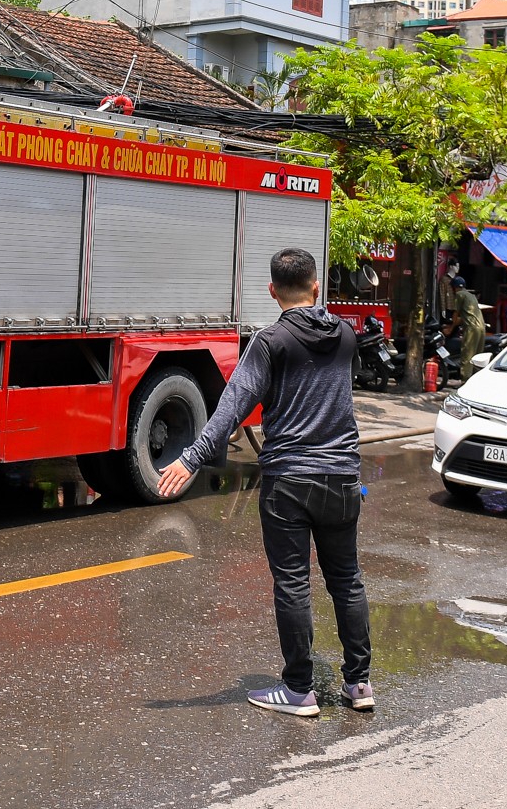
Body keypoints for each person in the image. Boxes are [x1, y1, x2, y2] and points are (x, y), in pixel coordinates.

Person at [157, 248, 371, 718]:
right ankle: (359, 683)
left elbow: (234, 404)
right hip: (341, 475)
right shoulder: (346, 335)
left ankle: (299, 691)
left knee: (293, 584)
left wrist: (191, 458)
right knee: (347, 581)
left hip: (289, 480)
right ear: (317, 286)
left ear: (272, 291)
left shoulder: (270, 342)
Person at [447, 275, 487, 381]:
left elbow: (456, 315)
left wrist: (450, 328)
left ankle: (465, 381)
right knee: (478, 356)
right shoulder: (471, 296)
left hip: (472, 328)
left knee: (467, 355)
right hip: (481, 327)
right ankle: (476, 380)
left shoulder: (459, 295)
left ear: (454, 288)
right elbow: (466, 315)